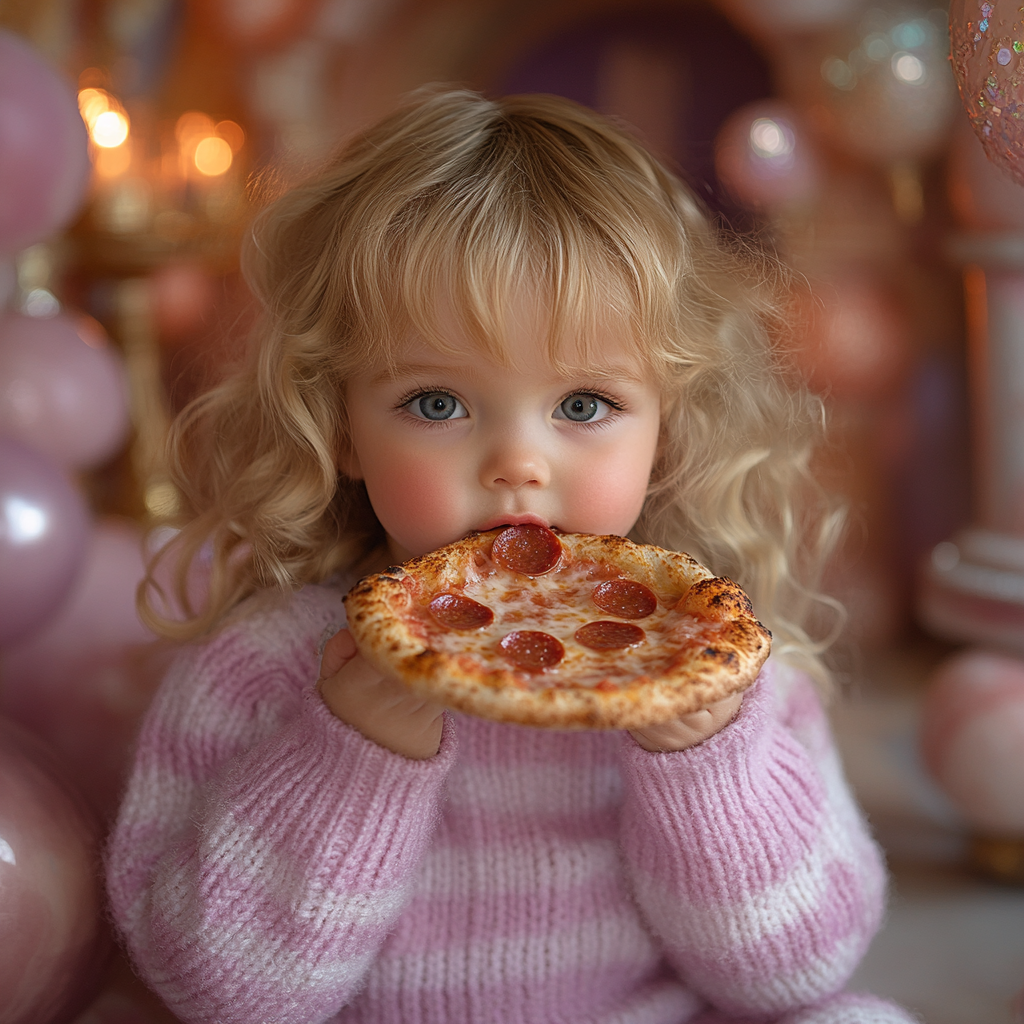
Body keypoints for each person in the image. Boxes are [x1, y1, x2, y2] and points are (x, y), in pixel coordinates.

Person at [106, 87, 916, 1024]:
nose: (517, 467)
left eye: (582, 406)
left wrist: (709, 766)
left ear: (668, 427)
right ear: (341, 428)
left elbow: (796, 973)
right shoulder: (262, 670)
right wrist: (353, 750)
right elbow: (220, 995)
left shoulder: (716, 673)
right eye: (438, 403)